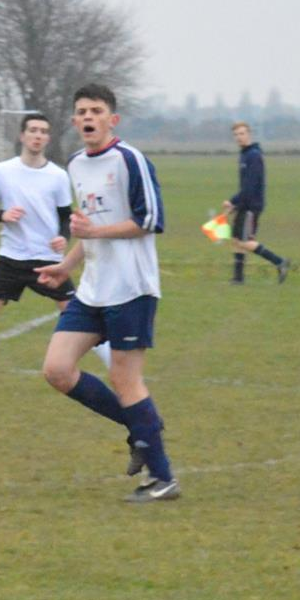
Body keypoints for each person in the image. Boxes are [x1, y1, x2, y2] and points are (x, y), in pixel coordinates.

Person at [35, 85, 180, 502]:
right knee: (57, 370)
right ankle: (143, 425)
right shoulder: (76, 164)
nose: (87, 117)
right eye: (81, 111)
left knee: (124, 378)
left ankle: (163, 478)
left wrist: (93, 231)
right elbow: (90, 226)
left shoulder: (130, 159)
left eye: (96, 111)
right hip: (94, 289)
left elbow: (149, 220)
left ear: (112, 119)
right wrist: (67, 265)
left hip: (131, 288)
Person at [0, 112, 107, 393]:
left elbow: (64, 216)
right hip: (10, 258)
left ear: (48, 138)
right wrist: (3, 215)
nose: (38, 135)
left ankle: (121, 370)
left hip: (47, 261)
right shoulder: (2, 171)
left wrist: (62, 236)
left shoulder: (57, 176)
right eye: (33, 130)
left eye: (43, 131)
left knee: (77, 315)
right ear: (22, 136)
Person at [219, 122, 292, 285]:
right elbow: (245, 187)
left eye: (242, 134)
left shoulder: (254, 155)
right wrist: (235, 206)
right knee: (237, 239)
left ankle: (280, 262)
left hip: (252, 206)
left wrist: (232, 201)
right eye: (236, 135)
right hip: (244, 204)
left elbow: (250, 186)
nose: (239, 137)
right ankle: (238, 278)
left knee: (245, 241)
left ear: (249, 134)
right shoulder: (244, 155)